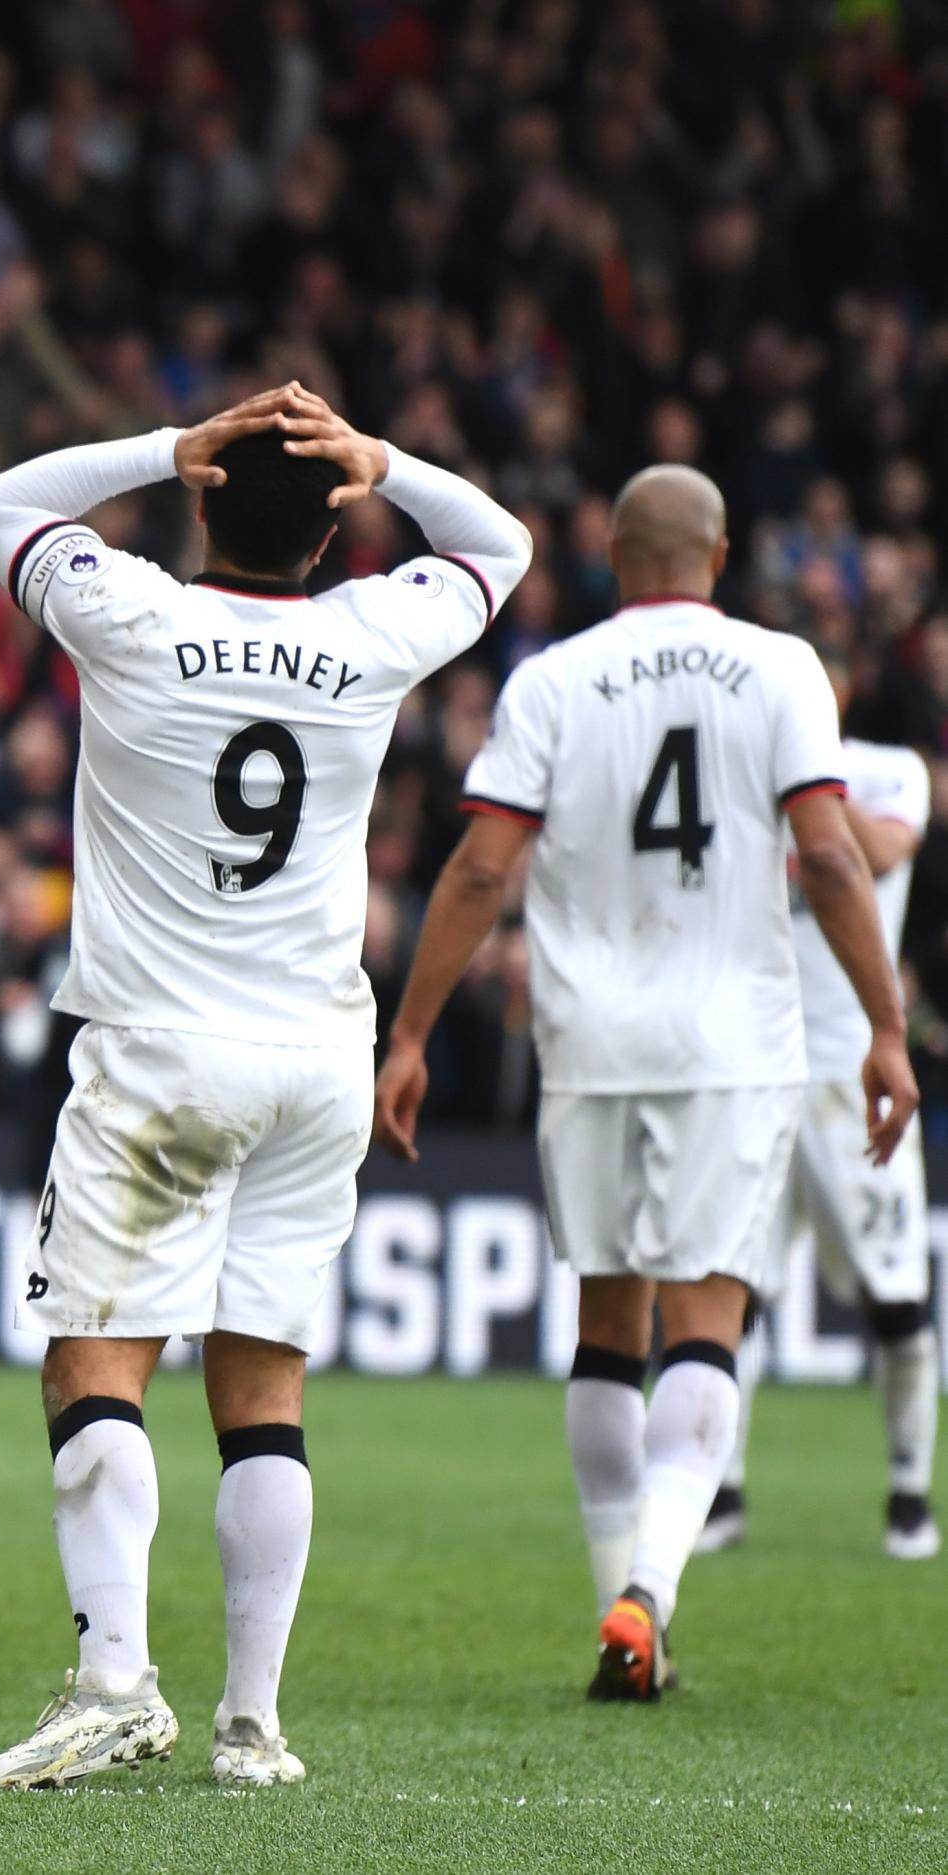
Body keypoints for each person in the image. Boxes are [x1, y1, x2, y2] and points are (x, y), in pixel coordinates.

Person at [0, 384, 532, 1791]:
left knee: (97, 1357)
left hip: (163, 1048)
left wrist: (164, 445)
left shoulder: (134, 613)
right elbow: (502, 544)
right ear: (338, 526)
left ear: (207, 499)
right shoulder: (371, 630)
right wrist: (384, 458)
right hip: (320, 1058)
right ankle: (252, 1725)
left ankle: (112, 1683)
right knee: (262, 1384)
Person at [375, 466, 919, 1702]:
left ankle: (616, 1608)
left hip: (591, 1047)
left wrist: (406, 1038)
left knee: (606, 1332)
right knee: (707, 1322)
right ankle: (653, 1593)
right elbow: (829, 859)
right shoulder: (781, 669)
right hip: (733, 1045)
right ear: (718, 557)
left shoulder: (552, 681)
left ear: (612, 560)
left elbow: (473, 875)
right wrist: (886, 1029)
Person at [697, 654, 936, 1562]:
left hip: (848, 1073)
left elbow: (876, 852)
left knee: (894, 1298)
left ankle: (909, 1490)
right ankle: (723, 1488)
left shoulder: (889, 769)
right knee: (732, 1292)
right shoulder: (738, 766)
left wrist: (788, 812)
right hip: (754, 1066)